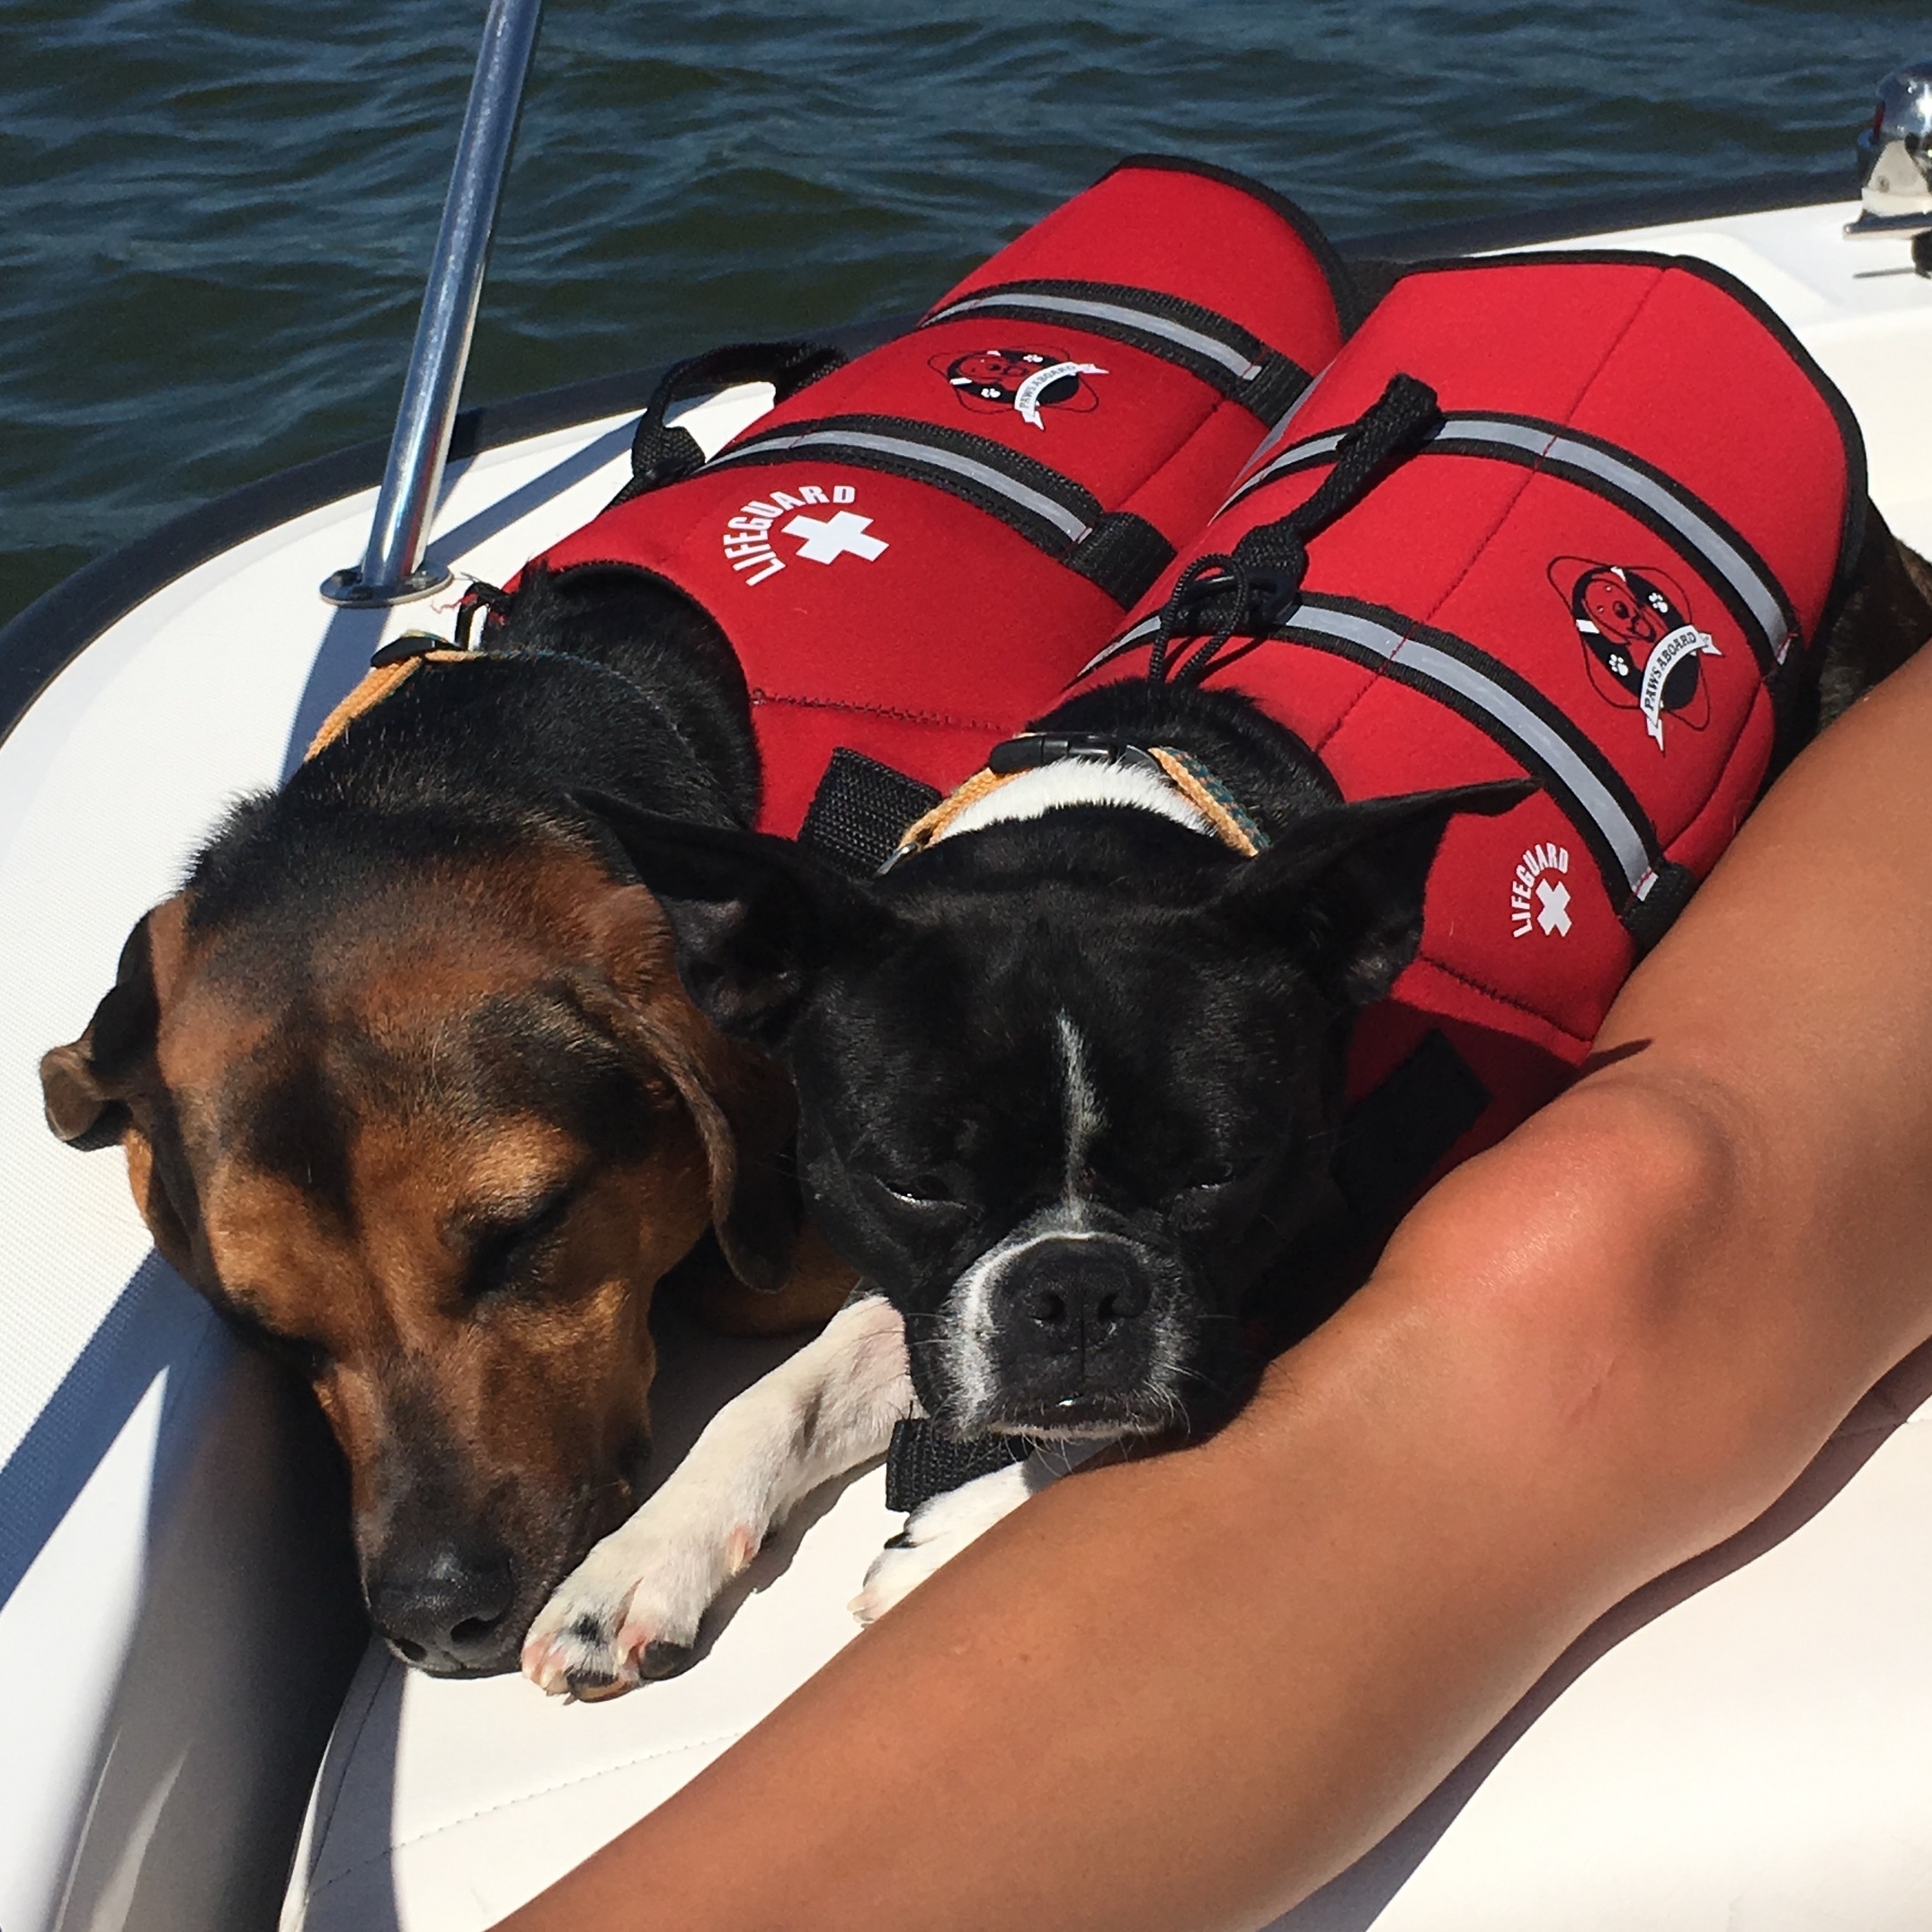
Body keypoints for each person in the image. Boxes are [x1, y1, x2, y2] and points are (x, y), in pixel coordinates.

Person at [494, 640, 1932, 1932]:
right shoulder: (879, 976)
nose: (1068, 1307)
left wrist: (1036, 1485)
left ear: (1354, 936)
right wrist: (736, 1470)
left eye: (1191, 1183)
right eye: (931, 1190)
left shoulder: (1267, 956)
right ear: (749, 971)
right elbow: (980, 1273)